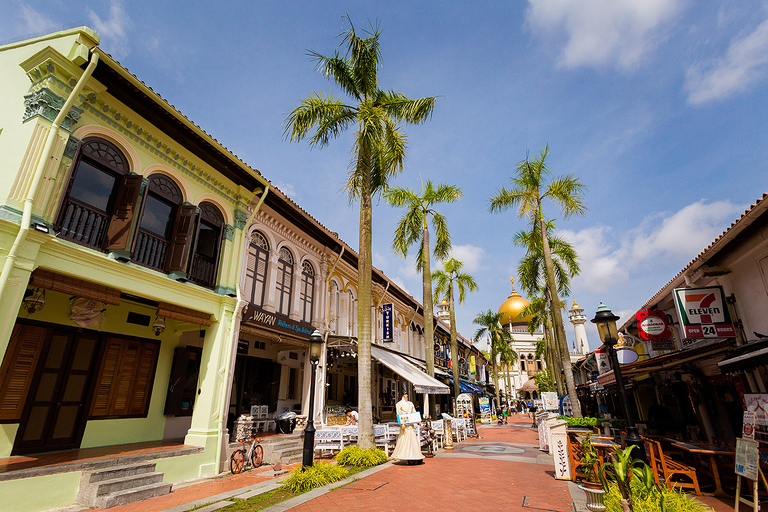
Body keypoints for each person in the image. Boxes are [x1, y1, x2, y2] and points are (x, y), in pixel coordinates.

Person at [391, 390, 424, 465]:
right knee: (404, 440)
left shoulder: (410, 404)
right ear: (402, 395)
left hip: (411, 425)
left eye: (406, 394)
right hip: (404, 426)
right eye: (405, 394)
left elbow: (414, 412)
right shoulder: (399, 404)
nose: (406, 395)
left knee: (412, 440)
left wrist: (418, 421)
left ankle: (413, 455)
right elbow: (399, 414)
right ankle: (405, 454)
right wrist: (402, 423)